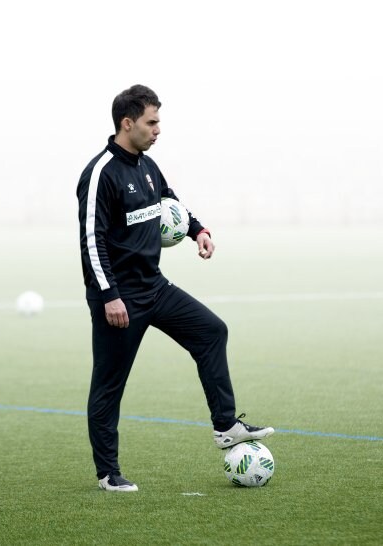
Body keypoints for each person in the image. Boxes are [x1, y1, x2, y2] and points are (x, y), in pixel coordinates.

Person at [76, 84, 274, 492]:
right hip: (120, 299)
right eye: (152, 121)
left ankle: (226, 427)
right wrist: (110, 295)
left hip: (154, 287)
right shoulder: (100, 174)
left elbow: (171, 201)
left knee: (211, 331)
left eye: (158, 121)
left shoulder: (148, 166)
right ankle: (108, 473)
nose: (158, 129)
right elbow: (91, 241)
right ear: (127, 123)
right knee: (109, 385)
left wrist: (196, 230)